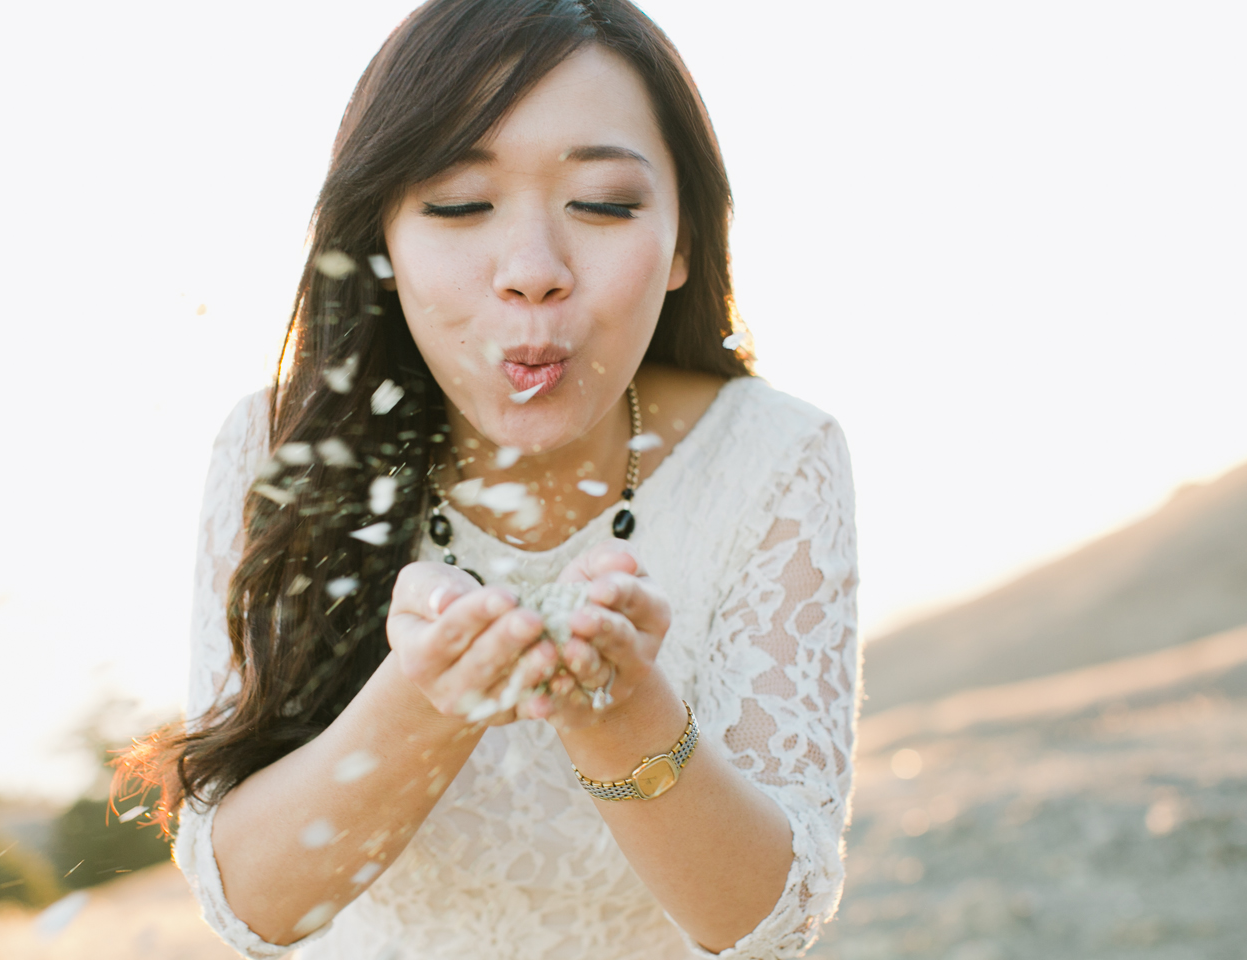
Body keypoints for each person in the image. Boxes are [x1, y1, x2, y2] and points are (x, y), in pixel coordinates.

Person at [119, 1, 860, 957]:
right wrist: (425, 700)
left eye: (602, 204)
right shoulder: (280, 445)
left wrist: (623, 714)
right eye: (460, 206)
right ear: (380, 244)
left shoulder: (774, 456)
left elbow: (770, 920)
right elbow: (253, 910)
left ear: (682, 242)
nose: (532, 271)